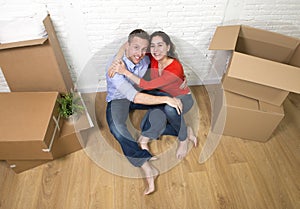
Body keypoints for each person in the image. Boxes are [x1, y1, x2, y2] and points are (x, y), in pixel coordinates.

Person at [105, 29, 183, 195]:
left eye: (143, 49)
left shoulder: (146, 56)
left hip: (142, 91)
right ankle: (146, 167)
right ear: (128, 45)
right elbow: (134, 97)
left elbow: (164, 61)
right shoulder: (114, 69)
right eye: (135, 48)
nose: (139, 53)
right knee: (117, 128)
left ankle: (182, 131)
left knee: (171, 103)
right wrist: (165, 99)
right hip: (120, 100)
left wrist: (170, 96)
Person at [108, 31, 197, 160]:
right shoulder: (152, 56)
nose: (156, 50)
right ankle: (186, 129)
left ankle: (183, 139)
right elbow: (128, 44)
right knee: (145, 125)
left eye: (160, 45)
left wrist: (124, 72)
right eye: (153, 46)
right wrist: (117, 59)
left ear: (168, 47)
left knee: (169, 109)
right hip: (162, 95)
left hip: (182, 98)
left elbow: (147, 85)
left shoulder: (174, 67)